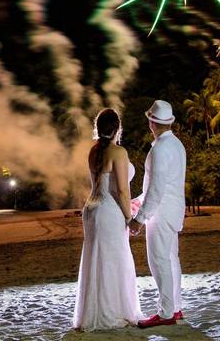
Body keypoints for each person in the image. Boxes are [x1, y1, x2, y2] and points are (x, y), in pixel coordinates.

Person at [73, 108, 143, 330]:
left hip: (91, 210)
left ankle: (92, 314)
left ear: (98, 128)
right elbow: (122, 191)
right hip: (109, 211)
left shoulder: (93, 151)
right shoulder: (118, 152)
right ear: (118, 128)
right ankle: (113, 312)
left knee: (95, 260)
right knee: (114, 261)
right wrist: (131, 217)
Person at [128, 100, 187, 329]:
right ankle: (175, 307)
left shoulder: (160, 149)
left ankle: (165, 313)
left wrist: (140, 219)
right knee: (172, 260)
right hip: (173, 211)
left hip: (161, 213)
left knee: (159, 261)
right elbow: (165, 184)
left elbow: (157, 187)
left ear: (152, 122)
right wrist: (139, 201)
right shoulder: (177, 145)